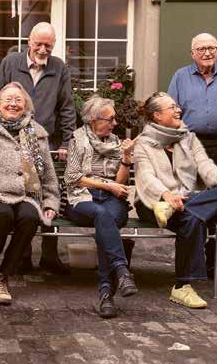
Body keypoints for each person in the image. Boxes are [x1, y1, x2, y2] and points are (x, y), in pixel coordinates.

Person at [134, 92, 217, 309]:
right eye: (172, 107)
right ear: (157, 115)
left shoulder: (188, 138)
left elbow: (204, 164)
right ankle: (182, 287)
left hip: (185, 199)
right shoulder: (144, 143)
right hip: (153, 203)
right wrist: (166, 195)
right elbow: (146, 176)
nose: (178, 110)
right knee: (191, 219)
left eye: (177, 106)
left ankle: (182, 286)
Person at [0, 22, 76, 275]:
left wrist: (66, 142)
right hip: (13, 140)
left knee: (47, 194)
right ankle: (22, 256)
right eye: (39, 44)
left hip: (45, 142)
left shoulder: (59, 68)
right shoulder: (11, 63)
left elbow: (67, 107)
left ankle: (49, 255)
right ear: (29, 42)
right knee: (21, 194)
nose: (43, 50)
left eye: (49, 45)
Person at [0, 82, 60, 305]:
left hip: (26, 196)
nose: (13, 104)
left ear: (26, 106)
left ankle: (3, 276)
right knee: (3, 214)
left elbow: (49, 176)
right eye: (8, 100)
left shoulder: (36, 134)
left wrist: (50, 203)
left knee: (30, 218)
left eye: (18, 100)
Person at [167, 32, 217, 283]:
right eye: (201, 49)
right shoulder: (180, 76)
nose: (207, 53)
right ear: (192, 53)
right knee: (191, 199)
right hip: (189, 145)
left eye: (212, 48)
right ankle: (193, 259)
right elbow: (171, 110)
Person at [64, 95, 138, 319]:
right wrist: (108, 185)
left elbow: (121, 181)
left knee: (106, 220)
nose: (115, 123)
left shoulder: (116, 142)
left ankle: (108, 292)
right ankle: (120, 272)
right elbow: (73, 177)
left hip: (113, 199)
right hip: (82, 199)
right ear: (93, 120)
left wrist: (126, 157)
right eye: (110, 119)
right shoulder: (77, 139)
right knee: (104, 216)